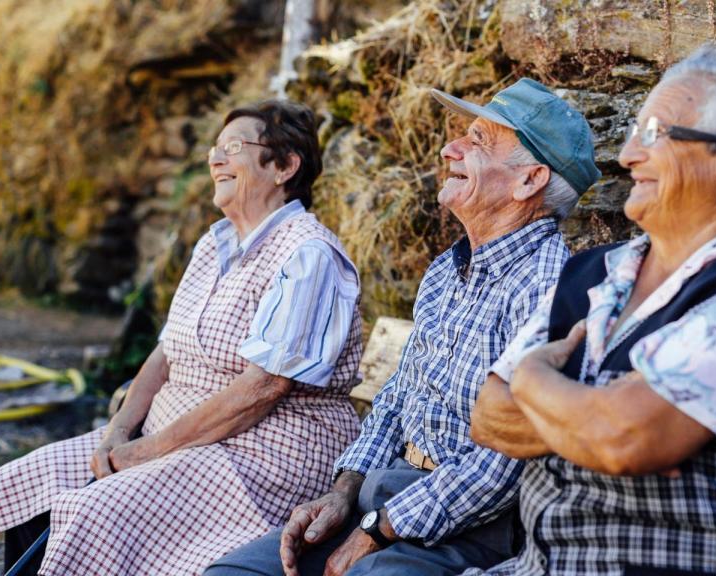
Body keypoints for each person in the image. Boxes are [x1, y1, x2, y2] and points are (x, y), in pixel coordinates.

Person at [469, 45, 716, 575]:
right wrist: (600, 417)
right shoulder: (592, 273)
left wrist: (535, 378)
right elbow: (489, 419)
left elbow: (624, 438)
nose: (627, 155)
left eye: (654, 134)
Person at [206, 78, 601, 576]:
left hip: (471, 526)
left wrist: (378, 529)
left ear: (530, 181)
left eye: (477, 142)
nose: (448, 148)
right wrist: (342, 492)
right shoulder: (447, 270)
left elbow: (502, 464)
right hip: (385, 495)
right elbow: (397, 396)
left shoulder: (548, 287)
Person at [0, 100, 365, 576]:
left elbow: (262, 389)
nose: (215, 159)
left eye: (234, 147)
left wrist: (146, 452)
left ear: (284, 166)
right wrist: (118, 431)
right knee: (36, 482)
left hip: (261, 458)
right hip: (179, 438)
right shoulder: (214, 244)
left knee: (93, 513)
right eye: (215, 148)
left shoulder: (308, 254)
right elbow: (165, 353)